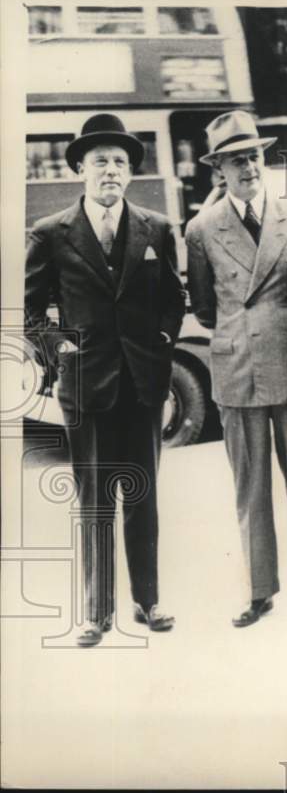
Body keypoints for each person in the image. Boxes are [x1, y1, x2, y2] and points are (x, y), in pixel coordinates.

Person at [24, 114, 185, 647]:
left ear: (129, 173)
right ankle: (96, 611)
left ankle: (149, 600)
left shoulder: (157, 228)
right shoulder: (50, 233)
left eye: (119, 162)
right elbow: (29, 312)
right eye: (100, 162)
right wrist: (62, 349)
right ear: (80, 169)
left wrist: (161, 344)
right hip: (86, 386)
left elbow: (172, 300)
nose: (111, 171)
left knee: (143, 498)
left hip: (142, 385)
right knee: (94, 501)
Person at [186, 111, 287, 628]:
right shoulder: (201, 228)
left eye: (253, 156)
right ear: (217, 170)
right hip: (238, 370)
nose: (247, 166)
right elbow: (206, 308)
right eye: (234, 159)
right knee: (250, 488)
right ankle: (259, 591)